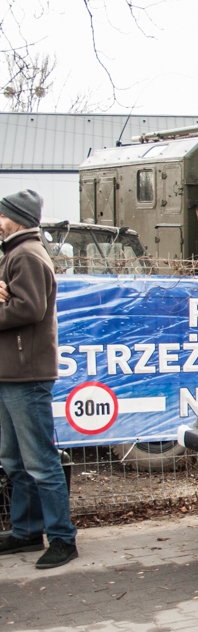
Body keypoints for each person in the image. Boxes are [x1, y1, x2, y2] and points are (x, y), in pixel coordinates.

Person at [0, 189, 78, 568]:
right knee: (14, 460)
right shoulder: (15, 253)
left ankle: (62, 539)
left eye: (1, 216)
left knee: (39, 461)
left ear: (16, 218)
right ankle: (26, 532)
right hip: (11, 372)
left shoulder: (27, 254)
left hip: (25, 374)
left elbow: (29, 308)